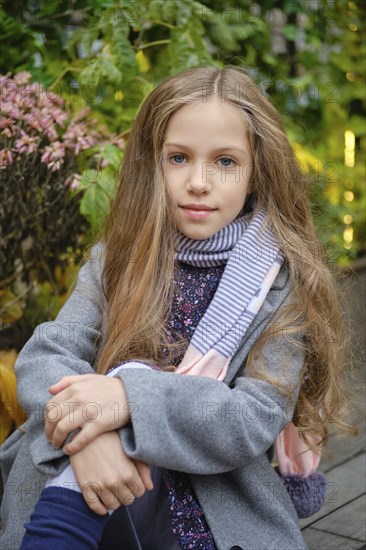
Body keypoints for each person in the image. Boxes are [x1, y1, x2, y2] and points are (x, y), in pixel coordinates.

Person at [0, 65, 357, 550]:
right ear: (154, 163)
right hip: (99, 487)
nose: (198, 182)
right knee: (67, 420)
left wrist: (126, 399)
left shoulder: (281, 283)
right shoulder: (118, 259)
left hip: (207, 496)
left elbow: (250, 418)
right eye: (179, 158)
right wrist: (93, 438)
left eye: (225, 162)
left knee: (108, 394)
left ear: (257, 172)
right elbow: (47, 355)